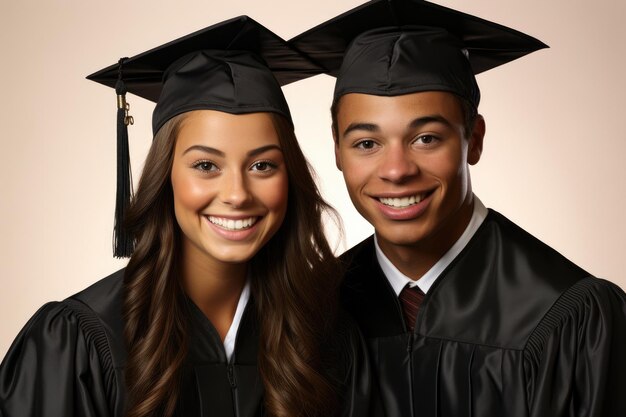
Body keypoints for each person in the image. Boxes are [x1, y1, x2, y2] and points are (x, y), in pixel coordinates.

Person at [0, 16, 373, 417]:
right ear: (166, 177)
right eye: (206, 166)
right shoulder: (80, 342)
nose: (236, 195)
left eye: (262, 166)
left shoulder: (327, 338)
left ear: (291, 177)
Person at [291, 0, 626, 416]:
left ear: (475, 139)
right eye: (367, 143)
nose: (396, 171)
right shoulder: (313, 308)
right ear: (337, 150)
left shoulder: (568, 316)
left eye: (426, 138)